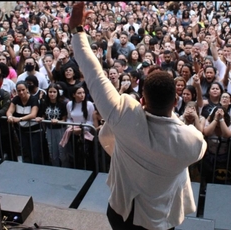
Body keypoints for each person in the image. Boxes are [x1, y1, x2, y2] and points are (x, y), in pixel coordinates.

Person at [69, 3, 207, 230]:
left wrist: (77, 31)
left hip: (121, 215)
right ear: (175, 101)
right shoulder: (192, 142)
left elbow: (93, 71)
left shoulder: (124, 117)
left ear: (142, 99)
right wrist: (185, 123)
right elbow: (191, 140)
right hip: (161, 221)